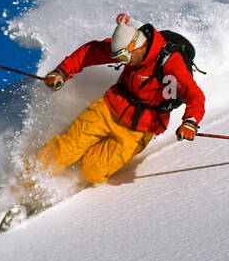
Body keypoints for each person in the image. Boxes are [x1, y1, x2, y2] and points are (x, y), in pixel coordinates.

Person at [16, 12, 206, 207]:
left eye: (124, 56)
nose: (122, 61)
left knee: (93, 171)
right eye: (118, 57)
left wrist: (190, 122)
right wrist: (62, 72)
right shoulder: (126, 47)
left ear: (136, 45)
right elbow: (90, 52)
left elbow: (195, 96)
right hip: (109, 107)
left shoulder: (170, 62)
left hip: (140, 129)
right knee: (64, 149)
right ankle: (19, 187)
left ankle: (66, 174)